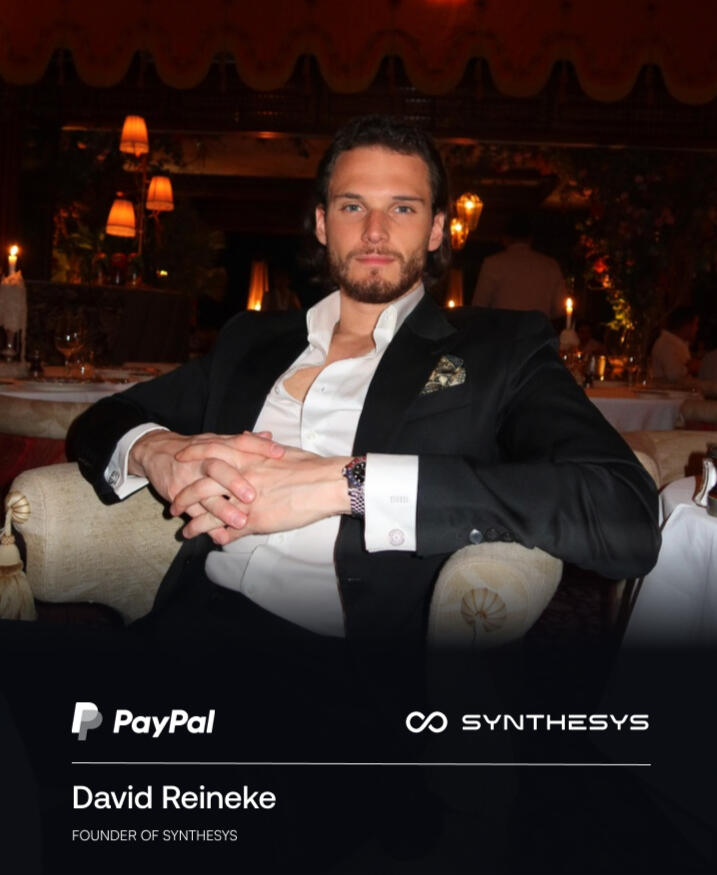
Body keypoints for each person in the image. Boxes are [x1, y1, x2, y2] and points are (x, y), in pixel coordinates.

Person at [470, 213, 567, 319]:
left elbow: (479, 306)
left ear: (505, 238)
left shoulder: (493, 263)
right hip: (537, 327)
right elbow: (560, 309)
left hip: (504, 327)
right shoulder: (550, 265)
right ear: (530, 238)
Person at [650, 306, 700, 384]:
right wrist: (690, 368)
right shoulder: (666, 344)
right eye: (695, 324)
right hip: (666, 391)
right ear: (686, 326)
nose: (697, 329)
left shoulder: (677, 344)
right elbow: (673, 375)